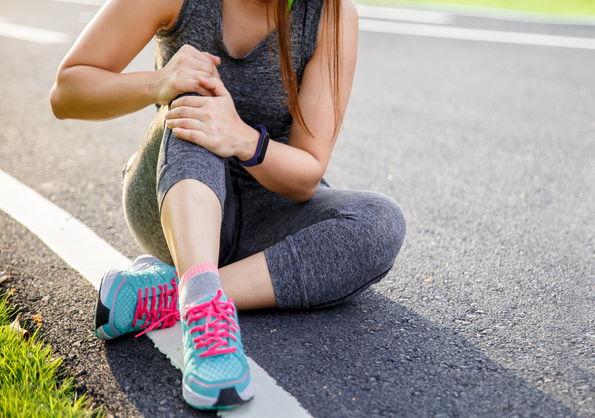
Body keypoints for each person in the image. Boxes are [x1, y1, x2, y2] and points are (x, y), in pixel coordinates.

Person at [49, 0, 406, 410]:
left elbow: (308, 172)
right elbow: (67, 91)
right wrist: (160, 82)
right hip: (177, 198)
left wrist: (241, 138)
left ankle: (176, 293)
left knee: (379, 221)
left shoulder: (331, 14)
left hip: (263, 212)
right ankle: (203, 312)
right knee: (197, 101)